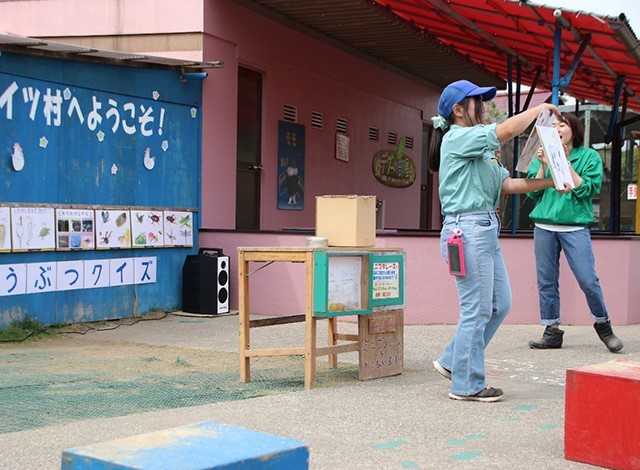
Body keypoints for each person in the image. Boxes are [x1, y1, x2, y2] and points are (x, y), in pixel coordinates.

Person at [427, 79, 568, 403]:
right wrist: (538, 110)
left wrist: (550, 181)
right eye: (476, 101)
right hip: (466, 229)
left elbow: (507, 185)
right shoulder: (458, 137)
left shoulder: (480, 147)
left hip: (484, 228)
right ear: (458, 110)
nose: (482, 106)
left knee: (500, 304)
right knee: (475, 309)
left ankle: (453, 361)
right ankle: (467, 384)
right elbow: (502, 131)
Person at [526, 113, 623, 352]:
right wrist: (543, 166)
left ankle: (603, 325)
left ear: (574, 130)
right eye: (554, 125)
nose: (557, 128)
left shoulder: (589, 156)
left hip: (575, 227)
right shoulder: (541, 154)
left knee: (588, 280)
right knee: (546, 282)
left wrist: (563, 162)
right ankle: (552, 331)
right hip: (544, 227)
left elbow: (588, 190)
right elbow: (532, 193)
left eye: (562, 124)